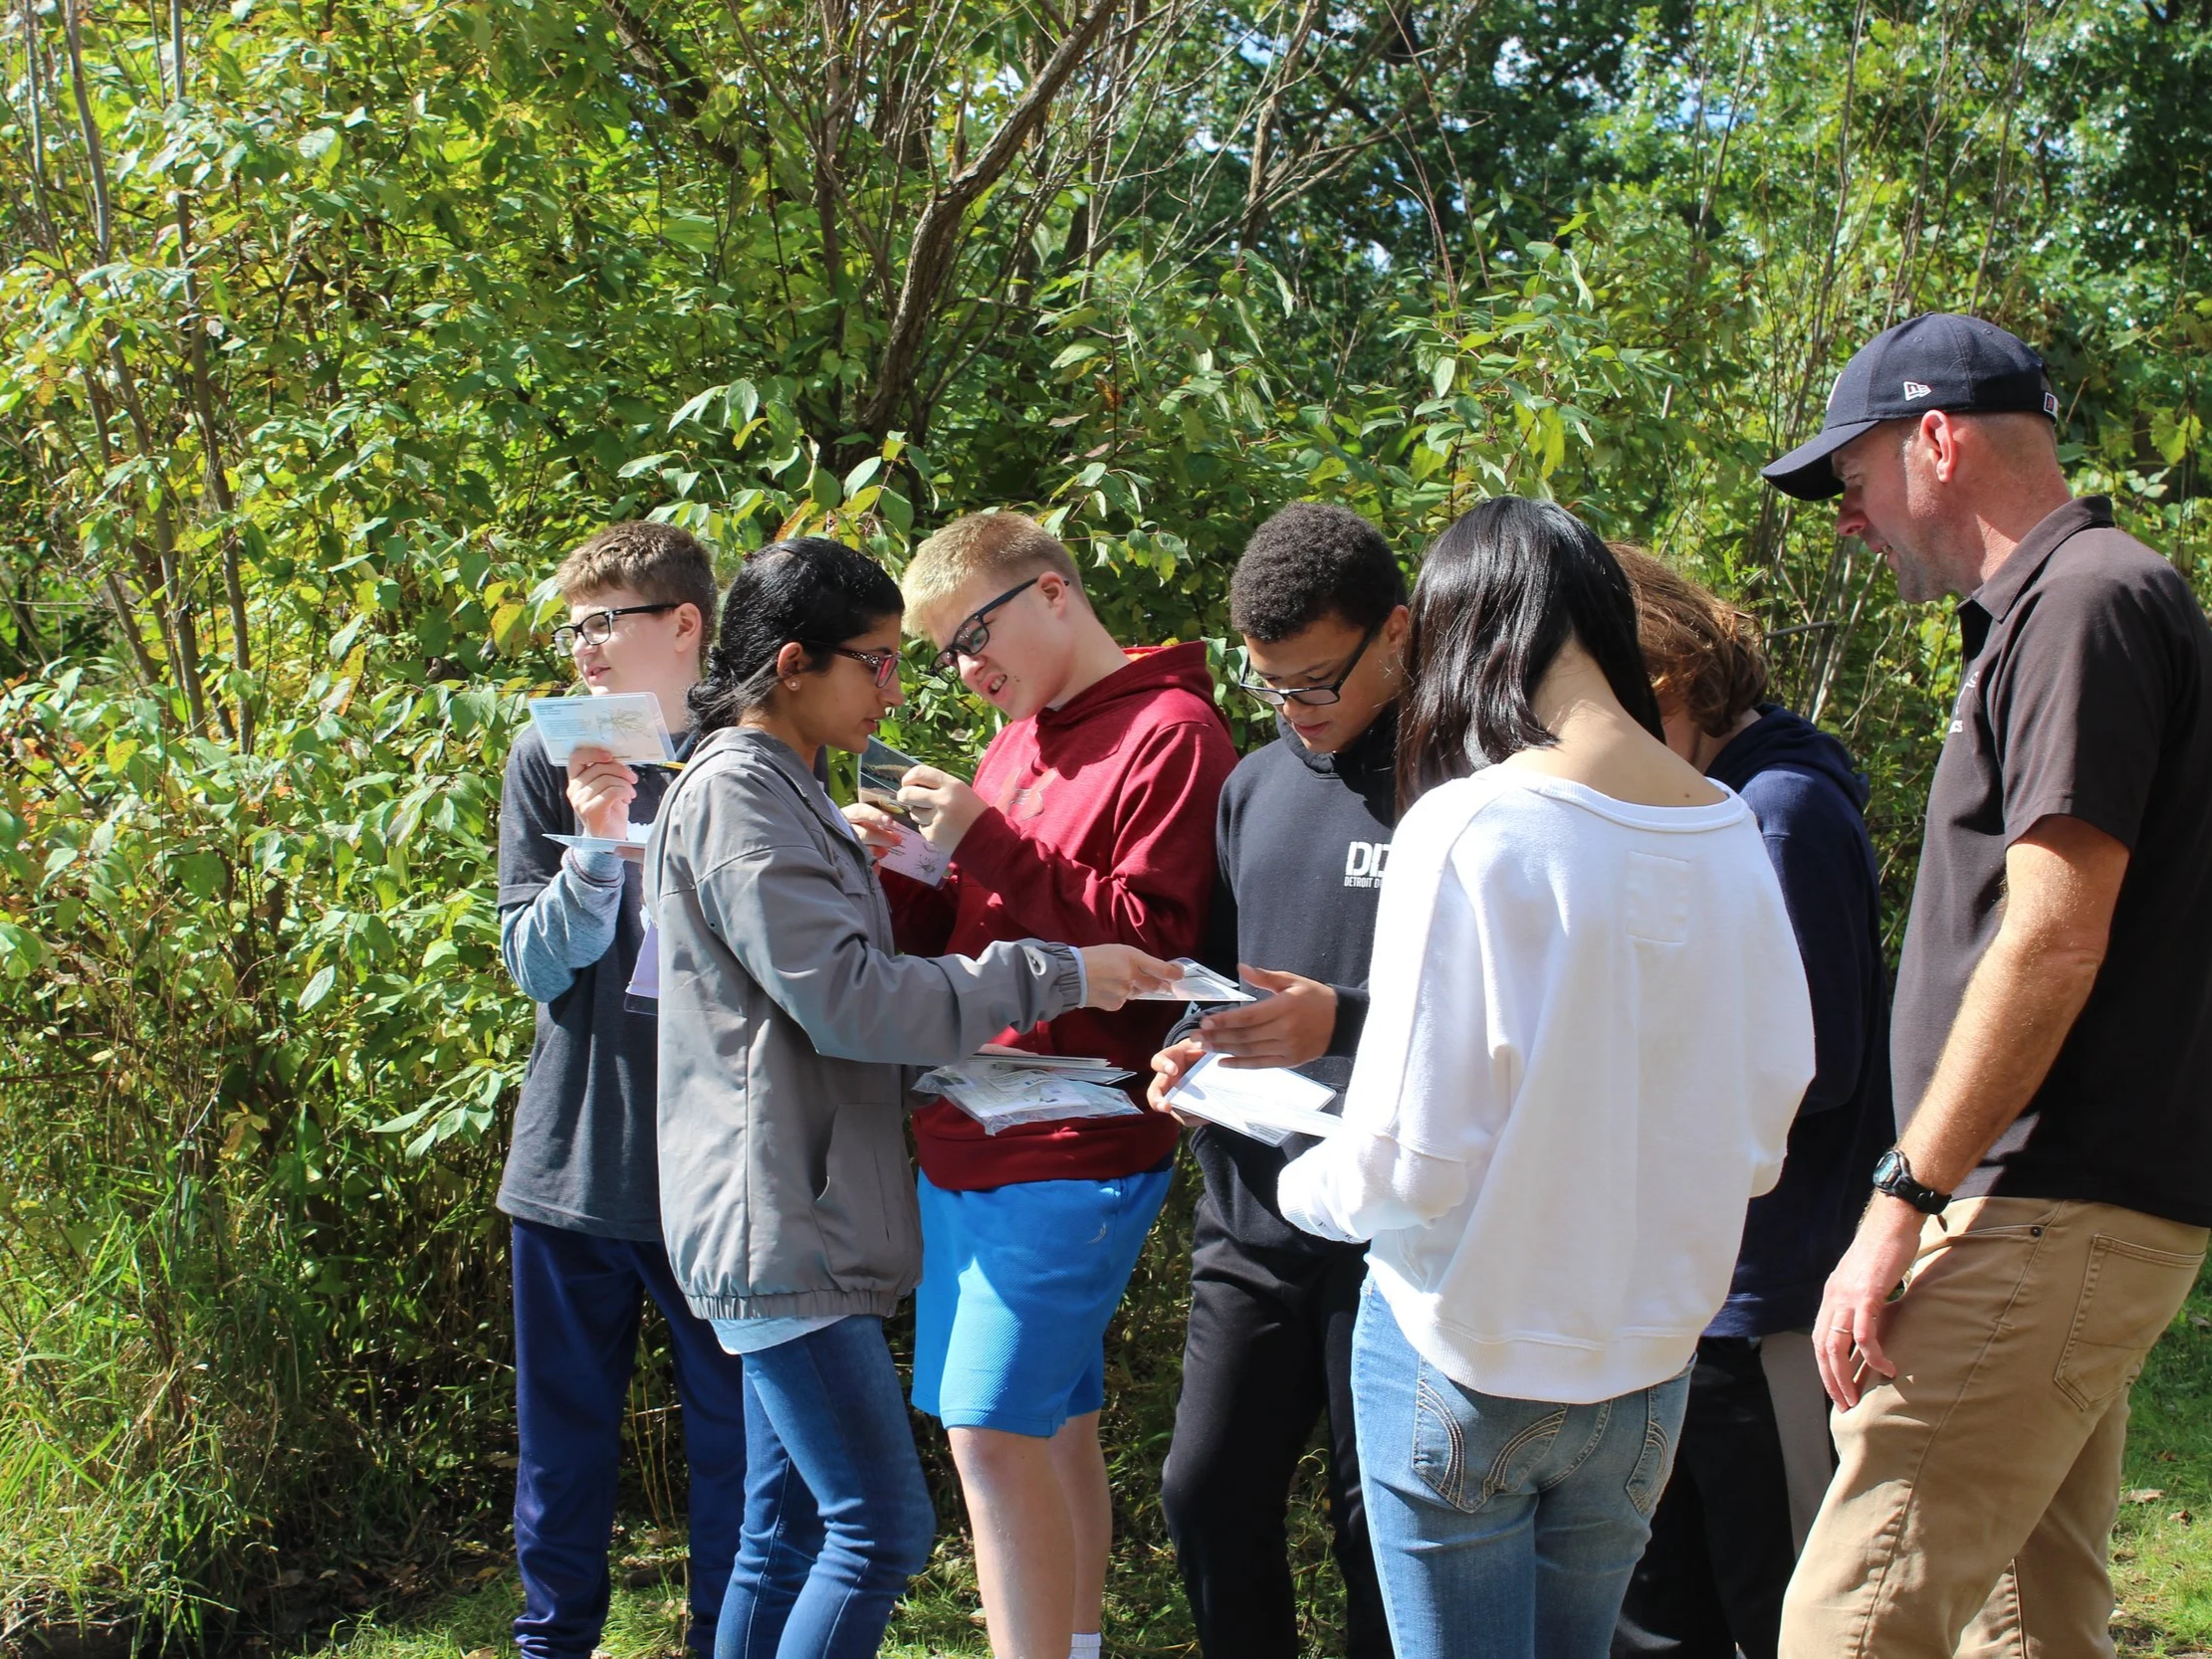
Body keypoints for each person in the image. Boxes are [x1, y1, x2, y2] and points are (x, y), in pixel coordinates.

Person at [1273, 497, 1817, 1659]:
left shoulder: (1466, 824)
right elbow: (1762, 1128)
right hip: (1645, 1370)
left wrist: (1299, 1184)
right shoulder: (1727, 824)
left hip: (1463, 1350)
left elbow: (1408, 1160)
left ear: (1455, 635)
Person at [1762, 312, 2212, 1658]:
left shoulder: (2082, 604)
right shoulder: (2060, 609)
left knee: (1847, 1624)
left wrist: (1899, 1200)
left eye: (1851, 479)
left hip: (2040, 1198)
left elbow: (2053, 936)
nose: (1847, 518)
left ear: (1936, 440)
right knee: (2028, 1626)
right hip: (2045, 1203)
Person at [645, 535, 1181, 1659]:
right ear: (794, 663)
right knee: (878, 1530)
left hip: (797, 1203)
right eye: (879, 663)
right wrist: (1058, 970)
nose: (895, 693)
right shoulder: (741, 792)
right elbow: (848, 1002)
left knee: (788, 1528)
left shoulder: (782, 785)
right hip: (778, 1212)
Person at [843, 512, 1237, 1659]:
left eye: (973, 635)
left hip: (1076, 1135)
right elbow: (979, 928)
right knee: (1053, 1420)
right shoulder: (1014, 740)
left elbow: (1156, 951)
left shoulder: (1173, 731)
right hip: (970, 1125)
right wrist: (899, 872)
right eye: (943, 653)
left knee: (988, 1430)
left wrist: (983, 838)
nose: (965, 670)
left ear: (1052, 592)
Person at [1608, 549, 1893, 1659]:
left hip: (1763, 1294)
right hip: (1675, 1298)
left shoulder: (1778, 811)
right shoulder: (1705, 804)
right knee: (1655, 1612)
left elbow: (1813, 1064)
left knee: (1788, 1604)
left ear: (1668, 679)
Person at [1145, 503, 1408, 1659]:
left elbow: (1507, 1018)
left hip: (1389, 1230)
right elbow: (1221, 975)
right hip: (1250, 1215)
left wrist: (1339, 1016)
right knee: (1203, 1493)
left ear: (1396, 631)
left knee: (1376, 1533)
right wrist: (1191, 1047)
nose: (1295, 710)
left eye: (1315, 682)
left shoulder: (1459, 788)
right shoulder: (1251, 784)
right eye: (1270, 686)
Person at [495, 520, 751, 1659]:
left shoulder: (753, 748)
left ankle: (722, 1636)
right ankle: (553, 1642)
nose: (584, 647)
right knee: (563, 1442)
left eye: (605, 621)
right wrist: (594, 848)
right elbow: (534, 964)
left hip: (714, 1166)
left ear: (684, 624)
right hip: (572, 1155)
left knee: (734, 1438)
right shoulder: (546, 754)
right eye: (574, 626)